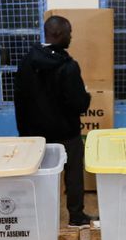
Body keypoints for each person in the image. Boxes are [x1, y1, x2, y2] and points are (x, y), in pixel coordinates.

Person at [14, 15, 96, 227]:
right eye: (69, 33)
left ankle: (37, 218)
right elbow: (79, 104)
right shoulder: (68, 66)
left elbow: (19, 98)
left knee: (37, 176)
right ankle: (76, 217)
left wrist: (24, 133)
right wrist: (86, 96)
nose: (71, 37)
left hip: (34, 135)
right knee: (73, 174)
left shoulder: (26, 61)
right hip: (66, 133)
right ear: (59, 34)